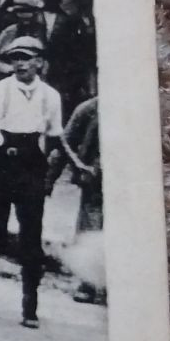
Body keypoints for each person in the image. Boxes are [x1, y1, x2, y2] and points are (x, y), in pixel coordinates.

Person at [0, 36, 65, 328]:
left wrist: (50, 174)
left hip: (31, 164)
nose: (21, 64)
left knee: (31, 236)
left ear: (39, 62)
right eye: (15, 59)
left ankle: (30, 303)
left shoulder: (51, 96)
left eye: (27, 58)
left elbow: (54, 137)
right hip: (0, 161)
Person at [60, 95, 104, 303]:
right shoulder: (89, 108)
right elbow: (66, 142)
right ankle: (88, 283)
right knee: (90, 228)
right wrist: (49, 179)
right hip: (95, 179)